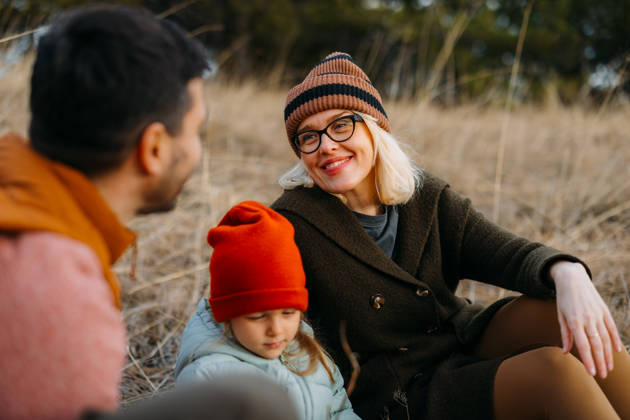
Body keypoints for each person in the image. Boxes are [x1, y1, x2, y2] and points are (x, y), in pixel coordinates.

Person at [271, 51, 630, 420]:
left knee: (559, 314)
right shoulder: (291, 223)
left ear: (374, 128)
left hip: (460, 338)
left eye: (341, 125)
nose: (326, 145)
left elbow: (507, 253)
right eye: (308, 137)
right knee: (554, 373)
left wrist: (568, 272)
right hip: (402, 389)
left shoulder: (424, 196)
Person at [0, 6, 295, 420]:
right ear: (154, 148)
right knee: (255, 403)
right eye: (195, 131)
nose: (197, 150)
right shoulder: (56, 290)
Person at [174, 201, 361, 420]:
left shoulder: (308, 352)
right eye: (257, 316)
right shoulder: (207, 378)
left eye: (288, 313)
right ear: (226, 315)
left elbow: (339, 411)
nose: (276, 329)